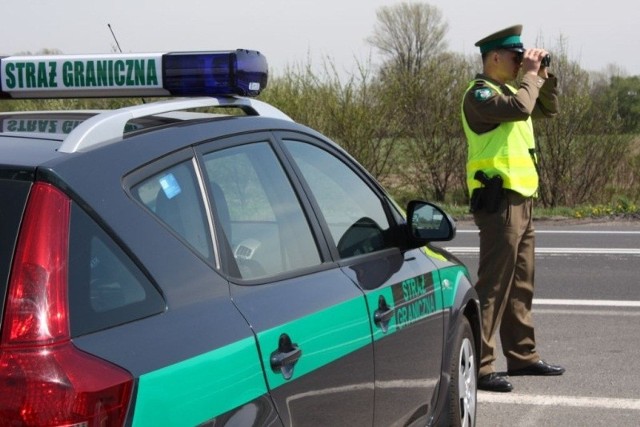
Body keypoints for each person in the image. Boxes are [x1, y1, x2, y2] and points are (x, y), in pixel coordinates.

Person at [461, 24, 565, 392]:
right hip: (499, 203)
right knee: (493, 286)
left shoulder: (511, 90)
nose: (521, 63)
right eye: (514, 57)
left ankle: (522, 356)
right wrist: (531, 78)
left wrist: (544, 77)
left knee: (521, 284)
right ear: (493, 58)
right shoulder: (479, 96)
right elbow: (523, 107)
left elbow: (546, 108)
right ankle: (483, 366)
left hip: (523, 198)